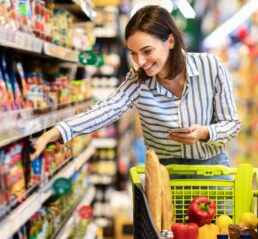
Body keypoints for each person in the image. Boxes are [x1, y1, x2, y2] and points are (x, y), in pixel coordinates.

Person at [31, 5, 241, 168]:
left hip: (212, 171)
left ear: (170, 41)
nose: (140, 61)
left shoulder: (211, 67)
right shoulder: (138, 81)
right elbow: (106, 110)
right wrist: (56, 132)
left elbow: (231, 124)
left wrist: (205, 132)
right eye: (133, 53)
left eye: (147, 51)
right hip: (163, 176)